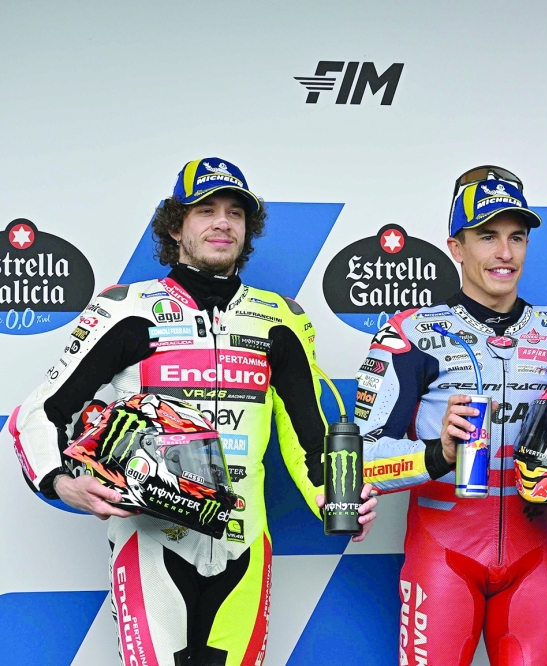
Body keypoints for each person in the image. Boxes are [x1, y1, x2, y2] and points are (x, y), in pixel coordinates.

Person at [9, 157, 377, 666]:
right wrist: (60, 482)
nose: (222, 222)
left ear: (248, 230)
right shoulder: (126, 310)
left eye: (235, 212)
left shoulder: (282, 320)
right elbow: (38, 414)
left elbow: (306, 435)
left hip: (244, 542)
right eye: (205, 210)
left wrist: (337, 499)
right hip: (150, 541)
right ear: (176, 227)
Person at [357, 166, 547, 666]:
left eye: (516, 237)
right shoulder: (410, 335)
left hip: (535, 554)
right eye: (487, 236)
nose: (504, 253)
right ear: (456, 247)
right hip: (442, 554)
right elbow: (360, 461)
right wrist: (437, 454)